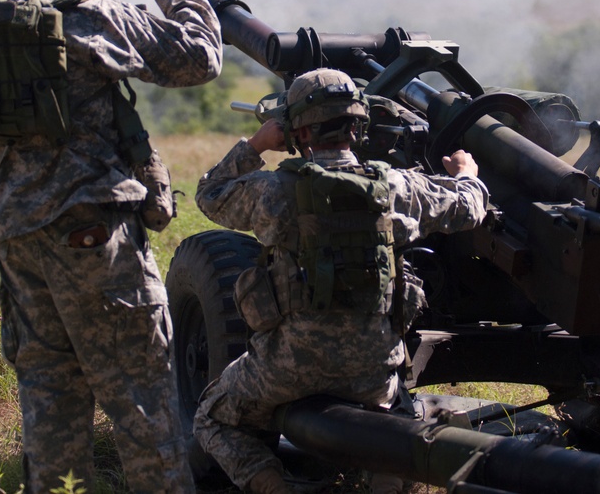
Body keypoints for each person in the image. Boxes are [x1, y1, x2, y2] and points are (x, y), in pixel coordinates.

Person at [0, 0, 224, 493]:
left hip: (15, 239)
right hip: (94, 240)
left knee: (50, 401)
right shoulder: (91, 16)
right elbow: (199, 59)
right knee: (143, 401)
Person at [193, 68, 489, 494]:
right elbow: (469, 206)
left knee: (212, 415)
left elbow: (210, 194)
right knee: (398, 411)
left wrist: (257, 144)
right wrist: (466, 173)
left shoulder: (271, 192)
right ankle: (387, 477)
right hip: (371, 370)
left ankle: (272, 486)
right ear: (357, 126)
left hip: (285, 366)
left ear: (299, 132)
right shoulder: (396, 187)